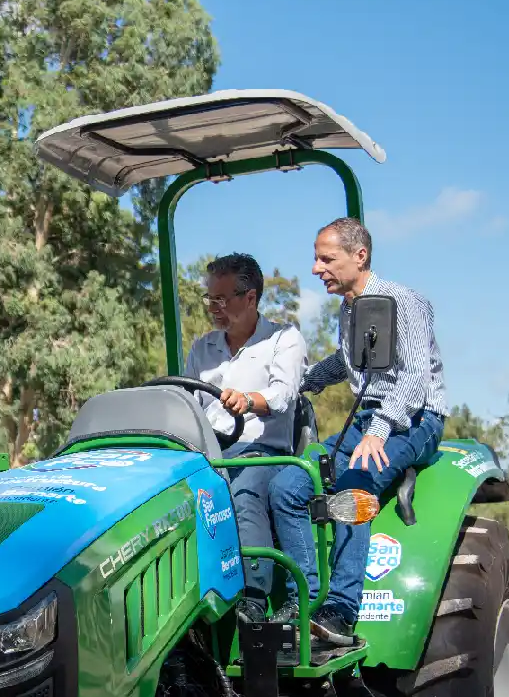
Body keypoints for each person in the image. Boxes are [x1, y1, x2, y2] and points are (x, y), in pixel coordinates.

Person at [268, 217, 448, 646]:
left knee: (352, 488)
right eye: (316, 258)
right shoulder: (350, 307)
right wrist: (302, 382)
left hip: (416, 420)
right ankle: (303, 602)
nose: (316, 268)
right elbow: (350, 363)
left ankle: (341, 611)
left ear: (359, 256)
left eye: (326, 258)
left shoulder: (403, 301)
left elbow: (415, 377)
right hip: (365, 419)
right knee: (289, 484)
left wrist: (381, 430)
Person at [184, 253, 308, 622]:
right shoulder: (202, 349)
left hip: (263, 450)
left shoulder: (283, 339)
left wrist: (249, 400)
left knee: (242, 489)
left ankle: (253, 598)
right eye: (210, 299)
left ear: (250, 298)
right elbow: (189, 402)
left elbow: (283, 396)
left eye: (222, 299)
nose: (213, 308)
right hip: (208, 452)